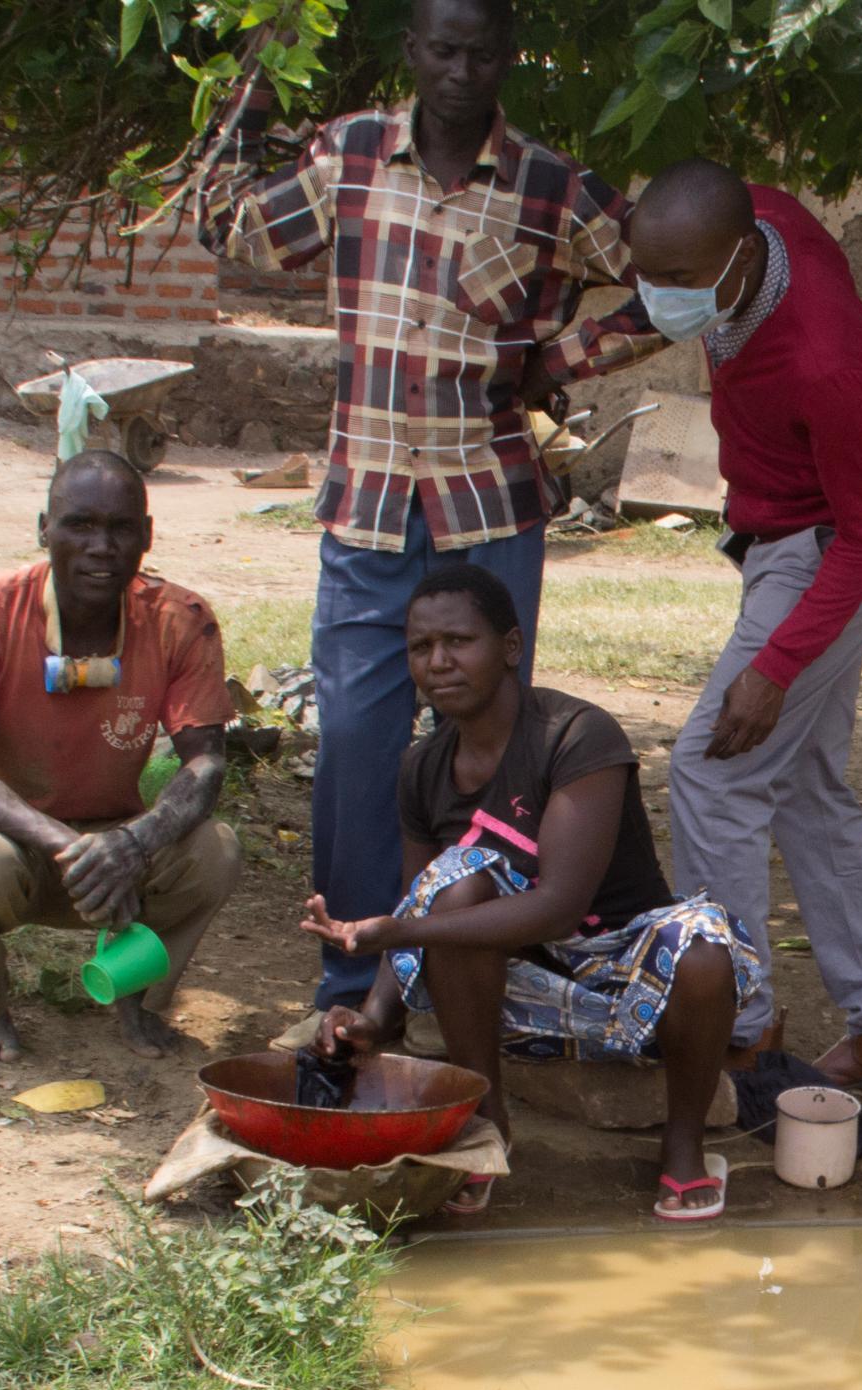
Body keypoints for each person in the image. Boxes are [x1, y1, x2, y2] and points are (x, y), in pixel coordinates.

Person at [197, 0, 663, 1010]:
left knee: (489, 758)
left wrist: (562, 357)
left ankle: (468, 971)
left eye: (481, 53)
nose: (460, 71)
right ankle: (352, 987)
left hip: (490, 506)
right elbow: (235, 231)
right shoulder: (351, 152)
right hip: (367, 503)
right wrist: (247, 92)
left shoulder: (550, 185)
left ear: (506, 61)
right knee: (358, 751)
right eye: (442, 51)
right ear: (412, 53)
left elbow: (667, 278)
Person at [300, 566, 762, 1221]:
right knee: (455, 885)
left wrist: (400, 931)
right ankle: (488, 1126)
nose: (437, 662)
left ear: (510, 648)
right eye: (419, 647)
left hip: (623, 973)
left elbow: (560, 905)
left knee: (705, 950)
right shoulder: (422, 766)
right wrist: (371, 1017)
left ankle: (681, 1144)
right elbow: (420, 898)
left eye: (458, 641)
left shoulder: (574, 735)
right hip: (511, 992)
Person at [622, 159, 862, 1087]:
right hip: (784, 529)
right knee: (798, 778)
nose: (659, 298)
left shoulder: (822, 358)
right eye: (650, 274)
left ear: (736, 258)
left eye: (679, 282)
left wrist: (778, 664)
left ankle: (738, 1022)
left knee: (712, 769)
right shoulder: (757, 220)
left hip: (840, 539)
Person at [0, 451, 242, 1061]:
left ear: (146, 536)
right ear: (44, 529)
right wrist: (67, 844)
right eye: (80, 525)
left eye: (121, 529)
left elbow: (207, 764)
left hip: (112, 844)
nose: (101, 547)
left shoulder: (180, 621)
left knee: (215, 851)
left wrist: (134, 843)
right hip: (3, 833)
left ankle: (136, 993)